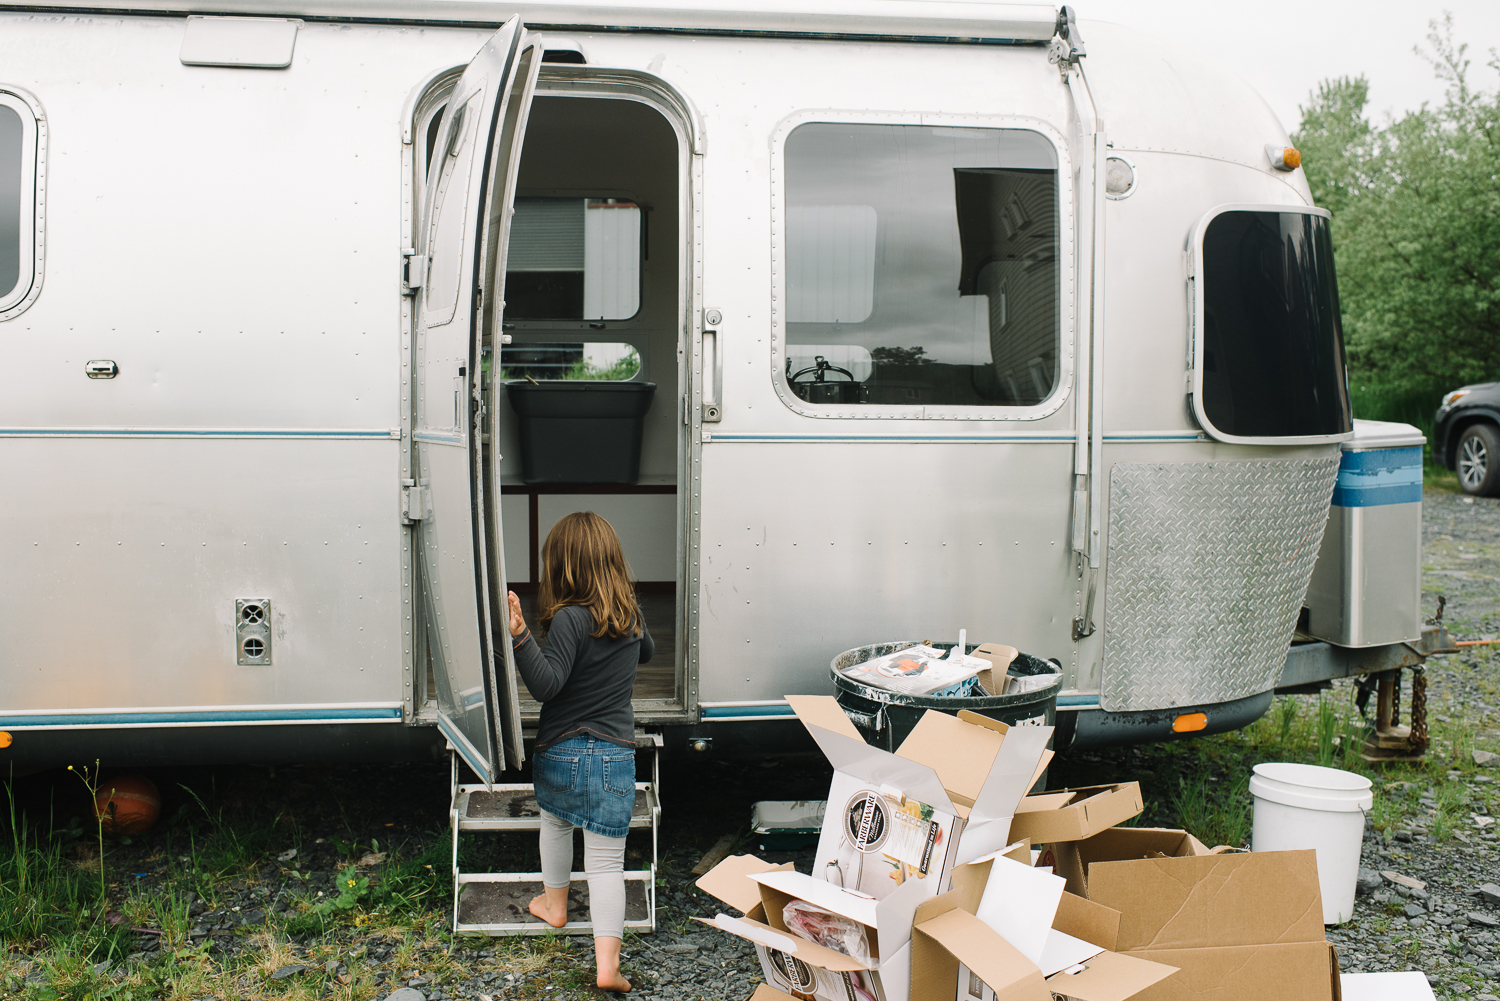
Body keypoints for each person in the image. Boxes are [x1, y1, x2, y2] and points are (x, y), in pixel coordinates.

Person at [506, 510, 653, 994]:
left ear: (563, 566)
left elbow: (547, 685)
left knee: (555, 823)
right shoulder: (629, 613)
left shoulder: (569, 618)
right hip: (613, 754)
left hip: (563, 750)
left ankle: (555, 907)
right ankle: (608, 965)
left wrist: (522, 636)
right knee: (608, 863)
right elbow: (648, 651)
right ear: (612, 561)